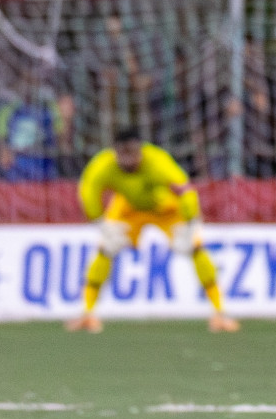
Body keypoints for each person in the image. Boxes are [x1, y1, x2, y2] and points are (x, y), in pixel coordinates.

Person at [70, 127, 239, 334]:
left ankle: (220, 314)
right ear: (115, 152)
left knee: (194, 248)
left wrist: (190, 223)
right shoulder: (102, 166)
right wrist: (100, 223)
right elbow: (88, 192)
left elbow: (185, 191)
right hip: (129, 209)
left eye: (133, 153)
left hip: (165, 208)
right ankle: (87, 314)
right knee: (106, 249)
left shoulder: (158, 161)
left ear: (140, 150)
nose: (129, 159)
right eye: (123, 154)